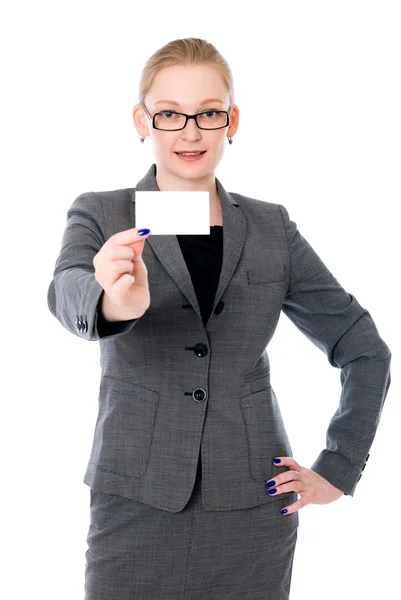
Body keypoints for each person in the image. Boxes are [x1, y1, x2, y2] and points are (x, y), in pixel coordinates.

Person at [47, 37, 391, 600]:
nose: (190, 131)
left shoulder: (270, 227)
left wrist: (340, 465)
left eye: (208, 112)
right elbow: (66, 290)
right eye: (170, 113)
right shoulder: (102, 211)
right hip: (135, 502)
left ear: (231, 120)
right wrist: (112, 302)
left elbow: (364, 347)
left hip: (253, 507)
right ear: (143, 119)